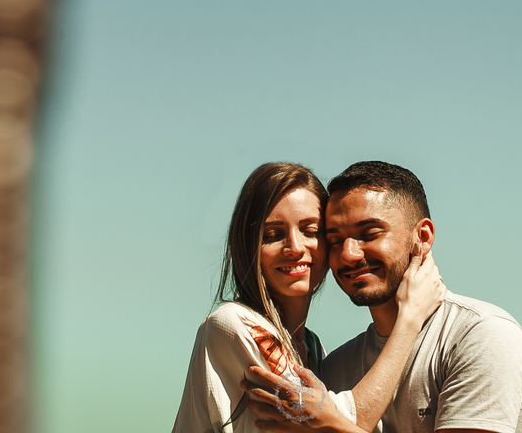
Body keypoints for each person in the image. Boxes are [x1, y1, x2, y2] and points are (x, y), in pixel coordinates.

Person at [244, 161, 522, 433]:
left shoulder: (483, 335)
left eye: (370, 233)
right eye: (334, 240)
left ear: (422, 237)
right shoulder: (336, 367)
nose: (349, 254)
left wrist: (334, 426)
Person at [171, 161, 446, 433]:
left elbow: (331, 424)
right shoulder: (235, 324)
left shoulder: (313, 349)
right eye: (273, 235)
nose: (294, 247)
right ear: (249, 245)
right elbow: (344, 423)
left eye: (311, 231)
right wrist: (409, 320)